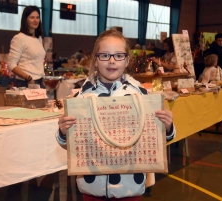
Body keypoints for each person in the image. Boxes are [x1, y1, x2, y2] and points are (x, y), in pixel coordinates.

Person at [56, 29, 176, 201]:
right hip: (93, 188)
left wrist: (168, 127)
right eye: (104, 55)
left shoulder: (141, 96)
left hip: (129, 188)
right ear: (96, 60)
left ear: (127, 60)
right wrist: (62, 131)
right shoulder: (81, 97)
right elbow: (69, 145)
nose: (112, 61)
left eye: (118, 55)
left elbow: (158, 139)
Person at [7, 6, 46, 88]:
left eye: (37, 17)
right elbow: (11, 64)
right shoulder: (19, 38)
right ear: (26, 19)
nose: (35, 20)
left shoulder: (39, 38)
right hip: (25, 83)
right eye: (32, 17)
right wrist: (28, 78)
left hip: (40, 81)